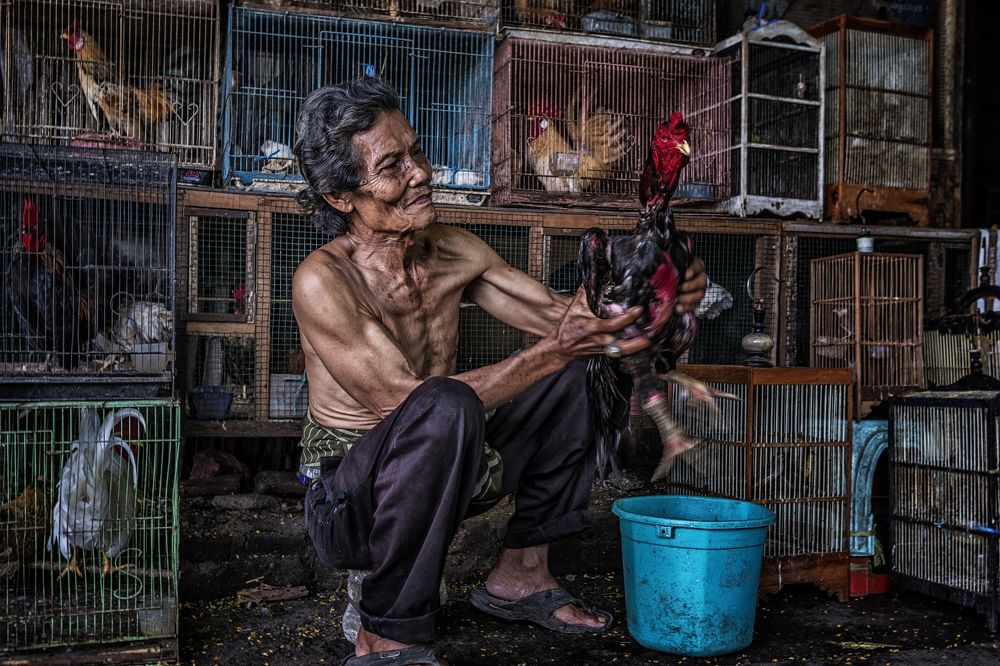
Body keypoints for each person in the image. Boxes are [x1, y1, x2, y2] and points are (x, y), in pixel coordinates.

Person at [292, 77, 707, 666]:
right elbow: (404, 404)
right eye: (392, 165)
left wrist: (658, 297)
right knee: (447, 403)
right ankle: (385, 634)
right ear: (341, 196)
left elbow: (563, 319)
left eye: (416, 150)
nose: (420, 172)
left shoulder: (454, 249)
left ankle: (521, 574)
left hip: (454, 466)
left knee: (572, 370)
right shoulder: (323, 280)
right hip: (351, 500)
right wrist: (558, 347)